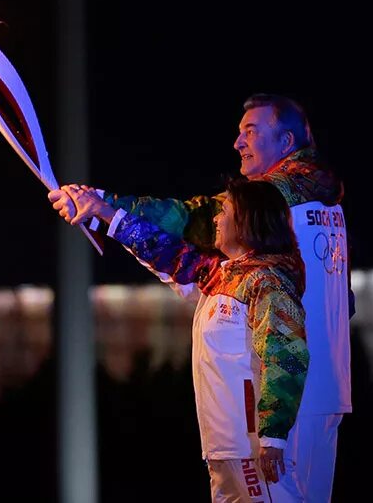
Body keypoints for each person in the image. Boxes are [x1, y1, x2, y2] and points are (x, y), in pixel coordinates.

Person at [49, 94, 351, 502]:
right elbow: (172, 255)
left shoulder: (275, 205)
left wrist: (105, 202)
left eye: (250, 132)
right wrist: (103, 211)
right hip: (315, 392)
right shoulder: (321, 205)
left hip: (282, 401)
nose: (238, 143)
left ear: (286, 142)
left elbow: (186, 220)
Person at [65, 178, 309, 501]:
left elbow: (288, 355)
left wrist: (273, 438)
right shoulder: (219, 275)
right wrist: (105, 212)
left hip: (253, 448)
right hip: (221, 446)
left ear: (247, 221)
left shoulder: (266, 284)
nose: (215, 219)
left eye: (225, 211)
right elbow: (161, 249)